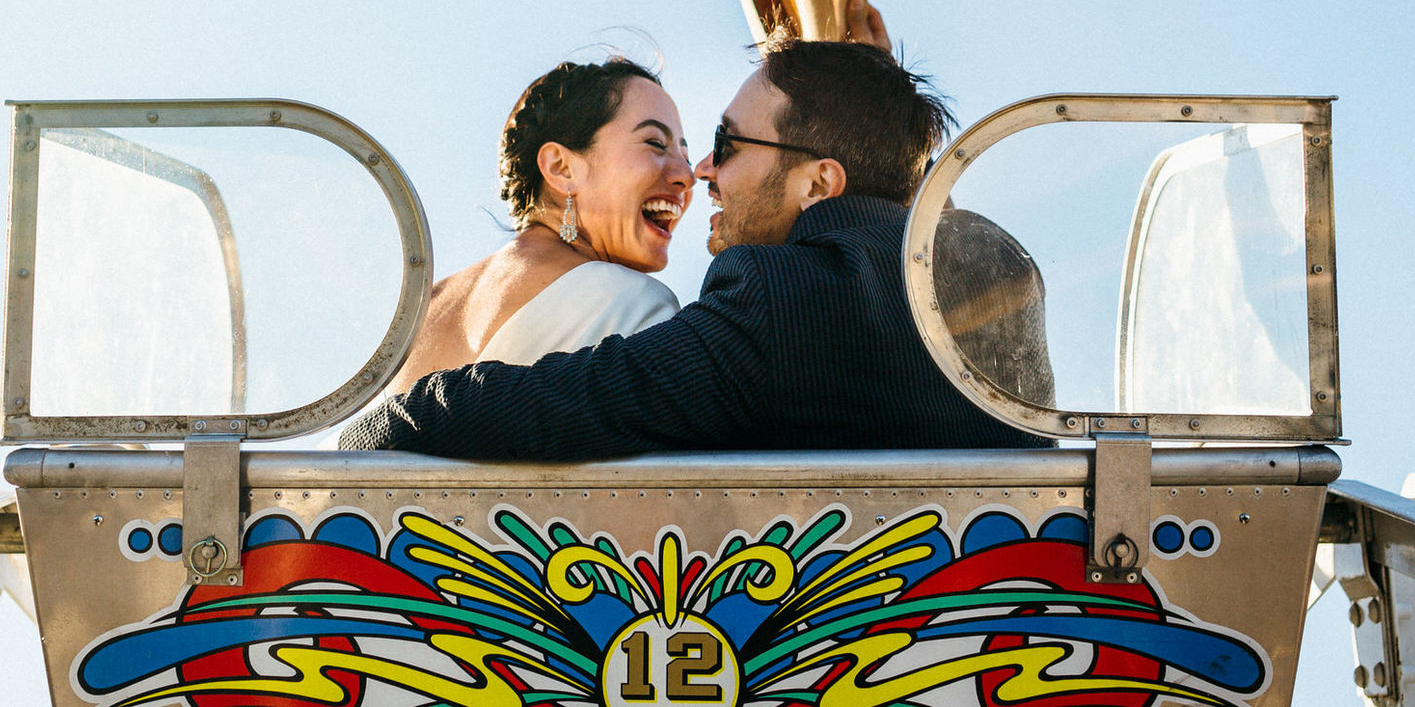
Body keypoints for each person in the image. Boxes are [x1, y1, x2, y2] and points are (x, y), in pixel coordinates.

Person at [342, 29, 1048, 458]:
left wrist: (373, 432)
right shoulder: (1003, 275)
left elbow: (583, 398)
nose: (700, 171)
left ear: (818, 182)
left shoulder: (775, 295)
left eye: (724, 145)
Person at [388, 57, 692, 388]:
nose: (687, 177)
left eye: (686, 158)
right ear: (561, 167)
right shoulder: (638, 306)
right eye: (655, 143)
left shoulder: (418, 309)